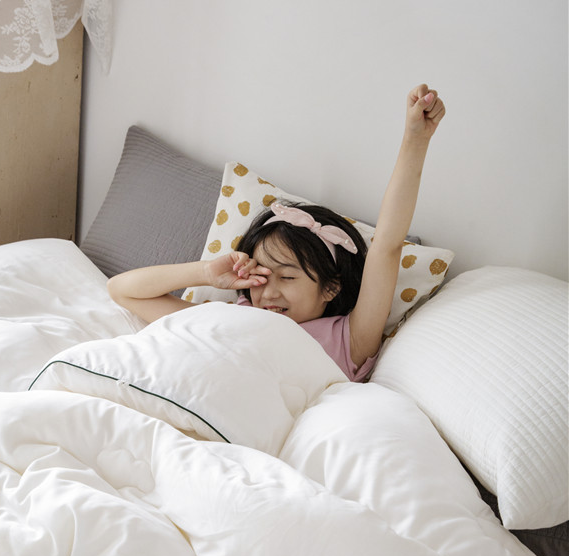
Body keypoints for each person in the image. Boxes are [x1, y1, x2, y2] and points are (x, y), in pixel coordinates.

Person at [107, 84, 446, 382]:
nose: (268, 292)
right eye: (260, 276)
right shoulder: (233, 316)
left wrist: (415, 139)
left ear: (330, 288)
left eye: (287, 277)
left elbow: (387, 245)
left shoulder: (347, 341)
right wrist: (206, 272)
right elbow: (122, 291)